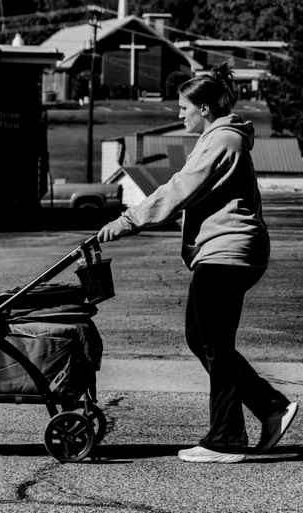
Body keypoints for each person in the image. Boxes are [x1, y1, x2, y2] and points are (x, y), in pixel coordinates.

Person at [97, 58, 298, 464]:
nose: (178, 114)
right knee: (200, 337)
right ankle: (269, 406)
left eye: (183, 107)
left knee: (215, 343)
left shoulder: (223, 140)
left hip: (229, 253)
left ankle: (226, 438)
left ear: (204, 109)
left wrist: (129, 220)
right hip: (222, 252)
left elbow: (180, 189)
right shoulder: (217, 139)